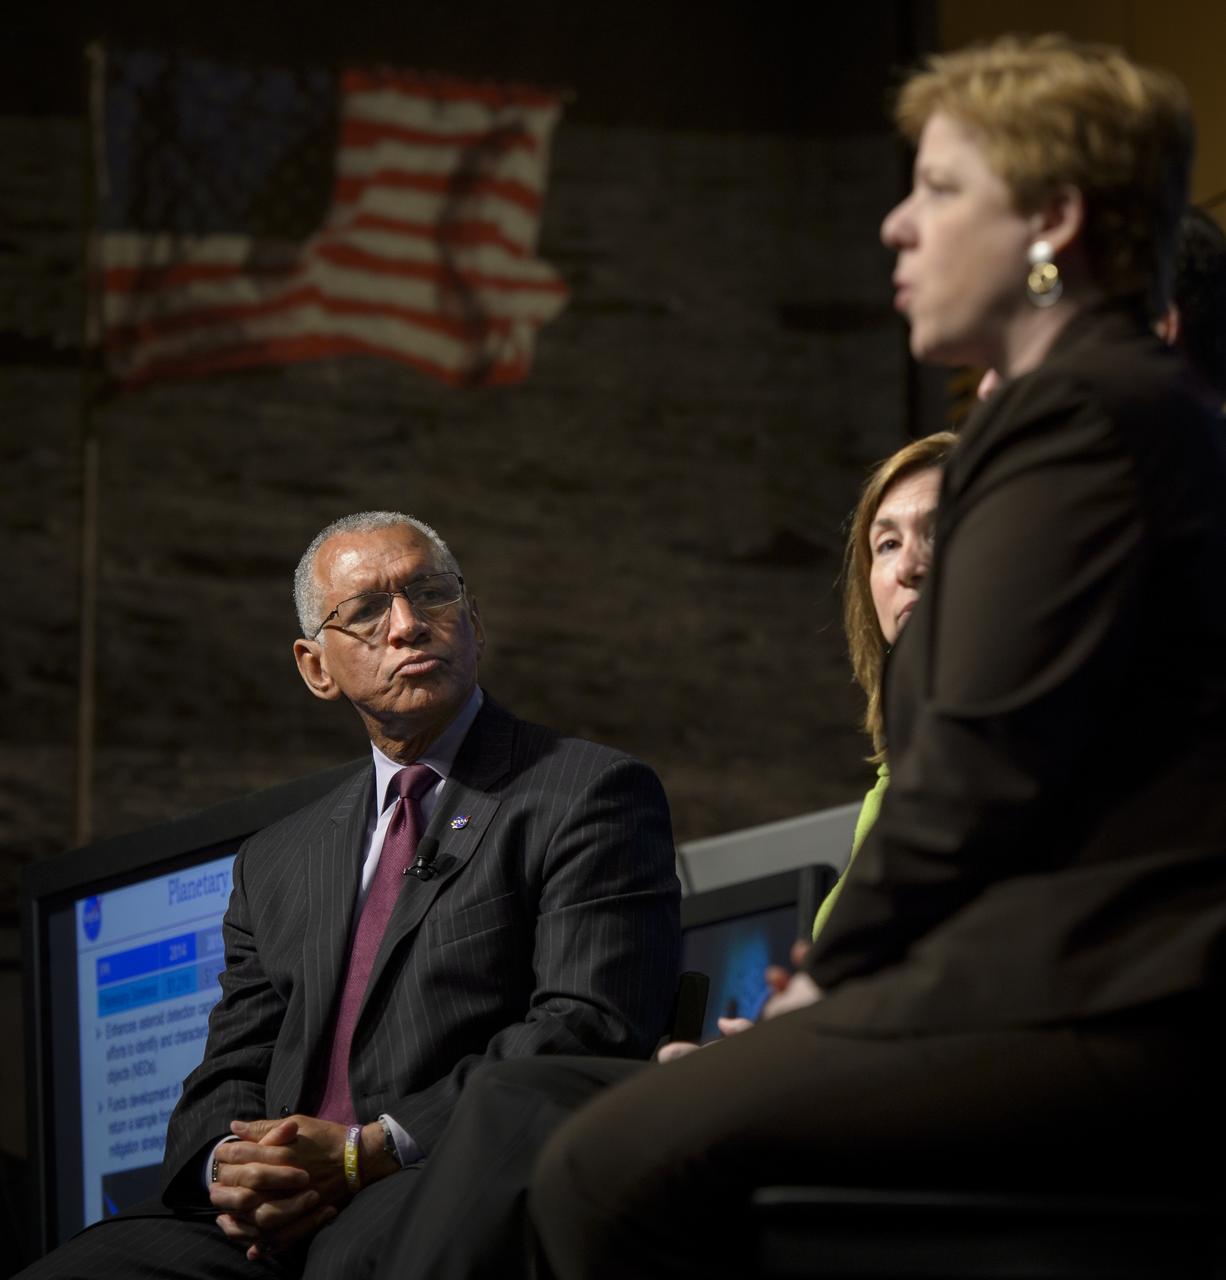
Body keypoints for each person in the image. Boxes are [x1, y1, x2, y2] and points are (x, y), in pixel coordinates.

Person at [525, 34, 1226, 1278]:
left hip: (1099, 1006)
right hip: (1094, 992)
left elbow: (976, 773)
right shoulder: (1117, 408)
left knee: (598, 1166)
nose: (897, 226)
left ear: (1053, 219)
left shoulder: (1075, 414)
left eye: (941, 187)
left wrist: (821, 987)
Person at [19, 511, 681, 1278]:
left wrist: (368, 1151)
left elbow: (587, 1028)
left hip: (430, 1176)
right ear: (316, 668)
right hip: (261, 1220)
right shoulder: (276, 858)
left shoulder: (586, 791)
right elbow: (229, 1070)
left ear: (473, 620)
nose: (406, 625)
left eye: (431, 593)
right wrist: (231, 1166)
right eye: (366, 611)